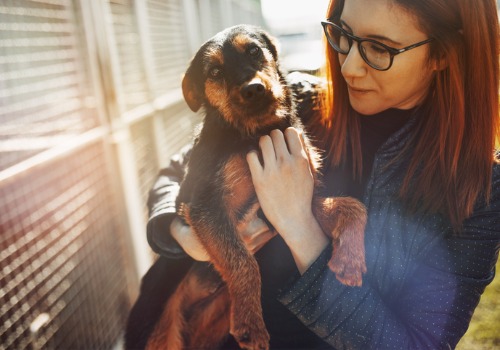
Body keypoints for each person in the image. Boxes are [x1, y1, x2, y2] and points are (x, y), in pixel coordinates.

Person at [125, 0, 500, 348]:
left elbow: (419, 343)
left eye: (379, 48)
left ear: (444, 54)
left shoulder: (483, 189)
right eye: (343, 35)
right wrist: (181, 235)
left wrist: (299, 226)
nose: (348, 67)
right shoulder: (297, 100)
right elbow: (177, 170)